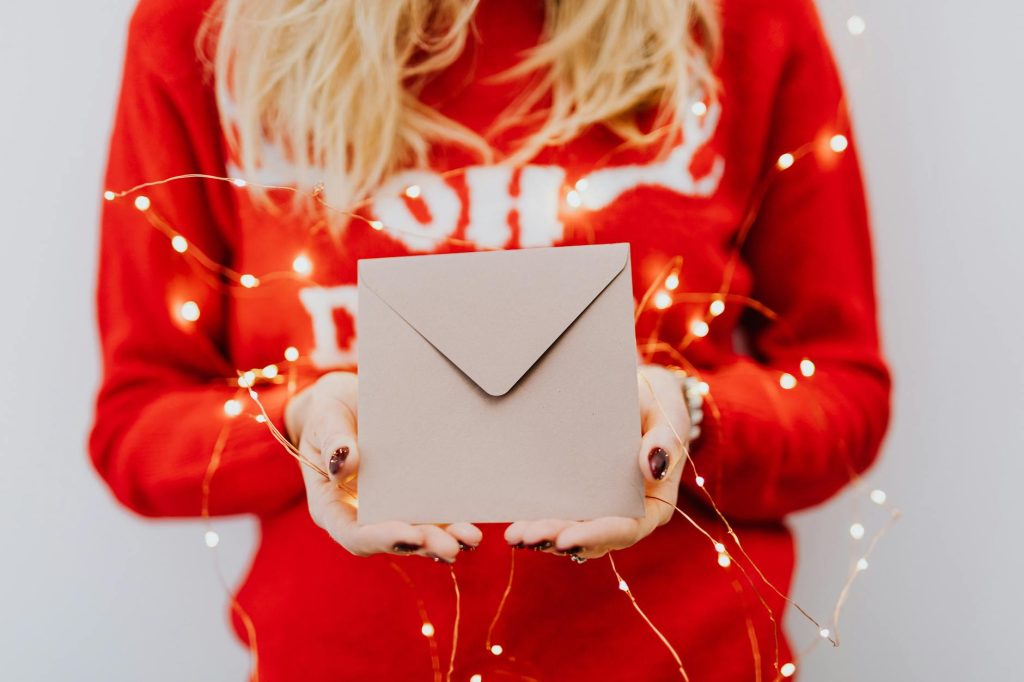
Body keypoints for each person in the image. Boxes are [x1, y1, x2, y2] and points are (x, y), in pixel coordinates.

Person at [90, 0, 891, 679]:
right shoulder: (208, 28)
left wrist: (694, 413)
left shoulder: (740, 18)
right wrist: (297, 426)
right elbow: (138, 425)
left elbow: (846, 391)